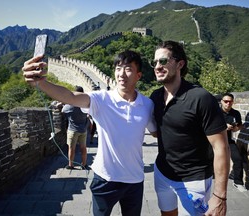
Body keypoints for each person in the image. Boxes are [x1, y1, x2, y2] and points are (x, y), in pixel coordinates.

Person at [22, 50, 157, 216]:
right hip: (105, 178)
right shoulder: (101, 99)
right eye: (118, 68)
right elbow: (71, 96)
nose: (121, 74)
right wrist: (41, 83)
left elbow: (158, 133)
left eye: (128, 69)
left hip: (135, 180)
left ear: (138, 75)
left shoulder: (147, 105)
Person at [150, 40, 230, 216]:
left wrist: (220, 196)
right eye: (154, 62)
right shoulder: (155, 97)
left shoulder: (201, 98)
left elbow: (221, 147)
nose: (157, 66)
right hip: (163, 174)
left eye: (163, 61)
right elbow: (158, 132)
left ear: (180, 64)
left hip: (194, 180)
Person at [220, 93, 245, 192]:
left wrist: (236, 127)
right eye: (225, 101)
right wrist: (224, 127)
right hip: (215, 140)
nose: (228, 103)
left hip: (228, 140)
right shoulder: (215, 112)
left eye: (230, 101)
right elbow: (208, 127)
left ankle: (238, 182)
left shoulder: (236, 113)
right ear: (222, 102)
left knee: (238, 159)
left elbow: (237, 128)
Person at [61, 85, 89, 170]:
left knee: (71, 148)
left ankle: (70, 164)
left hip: (73, 130)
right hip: (83, 130)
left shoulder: (71, 105)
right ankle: (84, 164)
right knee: (83, 148)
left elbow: (63, 111)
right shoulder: (85, 105)